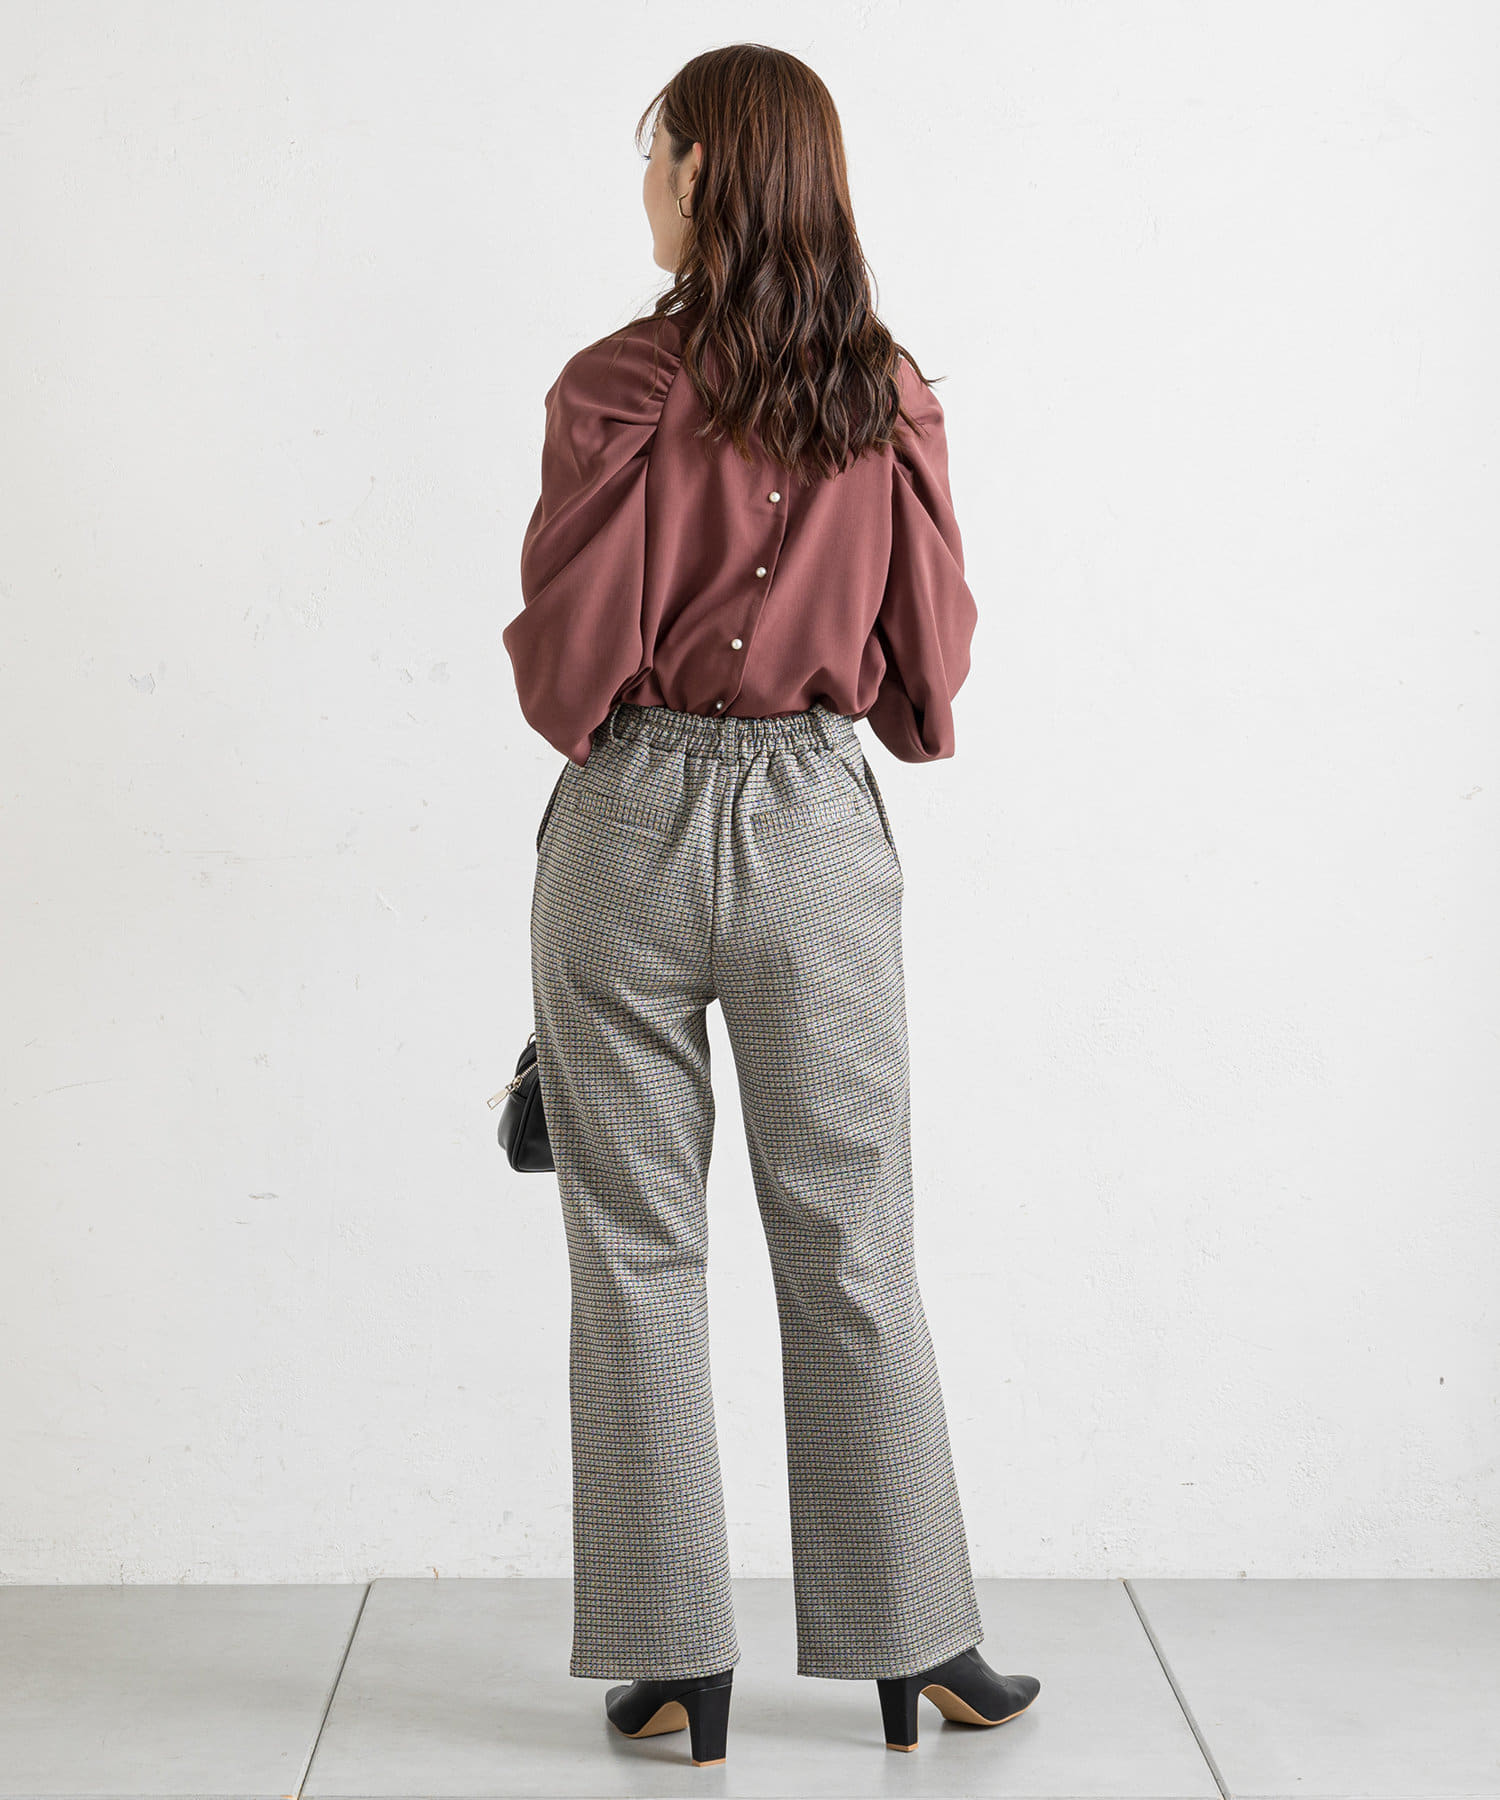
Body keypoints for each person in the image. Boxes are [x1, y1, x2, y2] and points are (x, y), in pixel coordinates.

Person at [502, 42, 1041, 1767]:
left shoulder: (614, 388)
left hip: (628, 827)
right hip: (813, 827)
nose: (644, 188)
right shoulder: (888, 396)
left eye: (655, 156)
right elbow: (927, 681)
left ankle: (677, 1665)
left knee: (634, 1253)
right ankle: (920, 1646)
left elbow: (565, 676)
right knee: (852, 1238)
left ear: (706, 177)